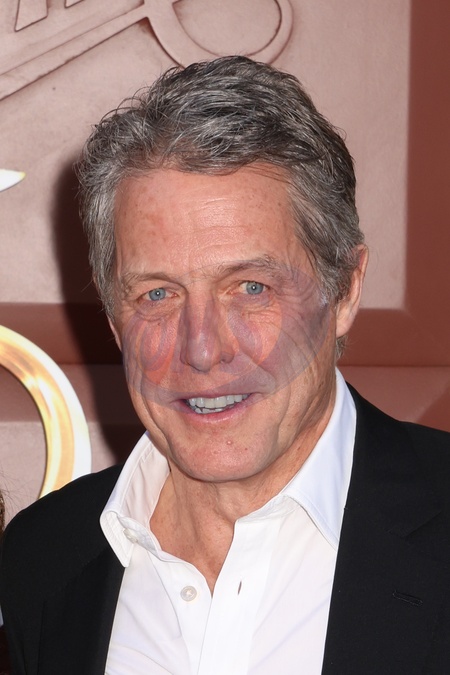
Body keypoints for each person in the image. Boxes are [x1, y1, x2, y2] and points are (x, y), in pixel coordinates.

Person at [1, 56, 449, 674]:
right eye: (157, 294)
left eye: (251, 288)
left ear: (345, 290)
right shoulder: (42, 559)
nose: (203, 349)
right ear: (113, 318)